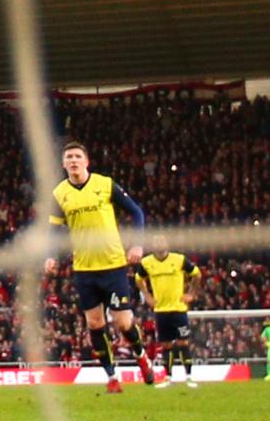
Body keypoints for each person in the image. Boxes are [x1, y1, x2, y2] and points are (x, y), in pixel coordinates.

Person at [45, 142, 161, 392]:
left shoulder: (105, 184)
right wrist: (50, 256)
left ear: (87, 161)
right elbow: (53, 231)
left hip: (113, 265)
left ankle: (141, 356)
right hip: (84, 269)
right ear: (64, 164)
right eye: (69, 157)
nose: (73, 161)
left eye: (78, 156)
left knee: (123, 323)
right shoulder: (59, 194)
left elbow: (137, 213)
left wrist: (137, 246)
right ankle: (111, 377)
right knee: (95, 324)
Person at [134, 246, 200, 392]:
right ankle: (168, 378)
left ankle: (188, 377)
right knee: (166, 345)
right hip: (161, 310)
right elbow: (138, 279)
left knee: (183, 342)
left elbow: (197, 274)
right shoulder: (146, 262)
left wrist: (192, 294)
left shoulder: (179, 259)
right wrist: (147, 296)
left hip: (178, 309)